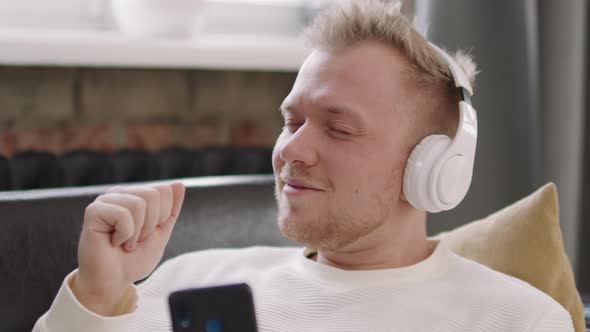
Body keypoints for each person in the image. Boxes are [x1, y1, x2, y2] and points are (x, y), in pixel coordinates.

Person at [33, 1, 574, 331]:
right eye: (292, 122)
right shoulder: (189, 283)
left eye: (339, 128)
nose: (289, 151)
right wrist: (96, 298)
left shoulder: (515, 320)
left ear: (435, 166)